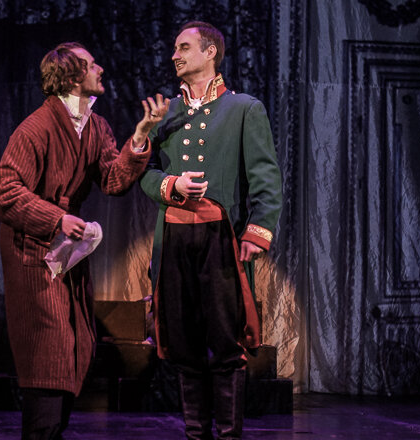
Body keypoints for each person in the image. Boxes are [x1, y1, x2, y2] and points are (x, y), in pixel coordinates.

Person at [0, 42, 169, 440]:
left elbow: (113, 180)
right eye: (91, 65)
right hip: (33, 250)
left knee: (76, 341)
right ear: (72, 77)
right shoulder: (35, 128)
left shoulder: (95, 125)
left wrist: (141, 134)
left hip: (68, 252)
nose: (100, 69)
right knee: (47, 346)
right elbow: (5, 192)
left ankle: (52, 431)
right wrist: (56, 218)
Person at [139, 21, 282, 439]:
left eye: (184, 47)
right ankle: (196, 434)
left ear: (210, 52)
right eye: (174, 48)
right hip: (174, 239)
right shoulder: (167, 113)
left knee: (225, 342)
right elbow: (144, 171)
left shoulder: (243, 109)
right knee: (183, 345)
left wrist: (257, 231)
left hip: (220, 239)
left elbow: (265, 177)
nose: (175, 55)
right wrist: (170, 184)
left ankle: (229, 435)